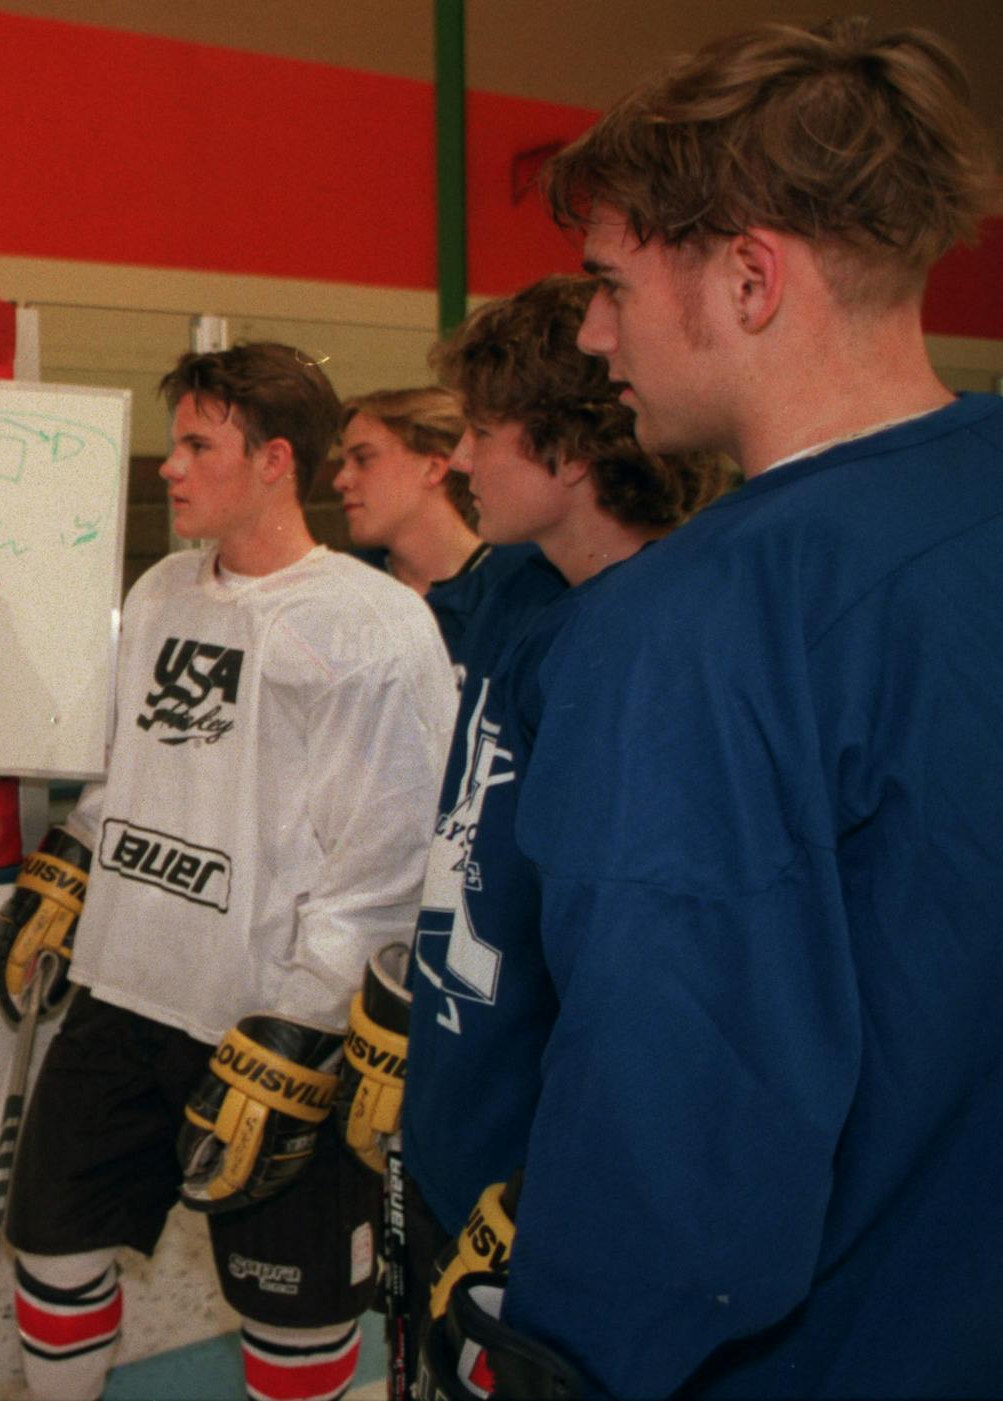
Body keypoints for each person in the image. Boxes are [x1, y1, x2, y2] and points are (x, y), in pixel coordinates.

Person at [424, 18, 1003, 1396]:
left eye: (612, 281)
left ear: (750, 277)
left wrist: (565, 1357)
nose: (589, 327)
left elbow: (676, 1144)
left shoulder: (687, 628)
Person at [0, 343, 455, 1401]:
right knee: (53, 1249)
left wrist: (301, 1021)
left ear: (276, 460)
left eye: (199, 443)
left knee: (292, 1310)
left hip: (269, 1028)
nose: (170, 465)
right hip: (127, 992)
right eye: (175, 441)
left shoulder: (373, 626)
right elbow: (133, 772)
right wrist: (77, 859)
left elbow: (387, 858)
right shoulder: (159, 591)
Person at [329, 275, 723, 1381]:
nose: (457, 463)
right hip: (451, 1131)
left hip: (545, 1187)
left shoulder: (665, 649)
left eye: (483, 435)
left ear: (569, 454)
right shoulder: (509, 589)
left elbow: (656, 983)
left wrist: (567, 1190)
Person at [333, 388, 534, 657]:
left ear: (434, 468)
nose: (340, 480)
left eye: (363, 459)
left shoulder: (524, 584)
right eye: (343, 462)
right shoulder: (341, 586)